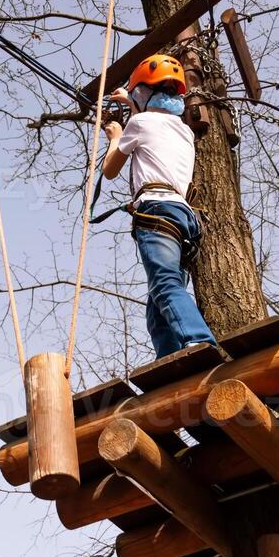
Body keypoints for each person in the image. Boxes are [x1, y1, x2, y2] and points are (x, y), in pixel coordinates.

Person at [101, 54, 217, 358]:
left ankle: (199, 341)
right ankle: (169, 358)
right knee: (158, 303)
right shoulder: (183, 131)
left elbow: (110, 170)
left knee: (164, 285)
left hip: (157, 213)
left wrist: (114, 136)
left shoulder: (138, 123)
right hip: (183, 218)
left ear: (143, 93)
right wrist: (129, 103)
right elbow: (152, 120)